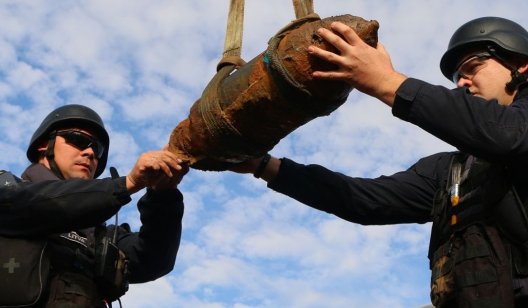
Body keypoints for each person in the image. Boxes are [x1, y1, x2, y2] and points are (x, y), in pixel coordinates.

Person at [230, 16, 528, 307]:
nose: (462, 82)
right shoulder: (452, 173)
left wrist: (386, 82)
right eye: (456, 77)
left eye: (473, 68)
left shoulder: (514, 130)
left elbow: (506, 134)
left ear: (519, 65)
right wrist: (264, 166)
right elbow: (365, 199)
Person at [0, 104, 189, 307]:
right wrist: (128, 184)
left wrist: (162, 194)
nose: (90, 152)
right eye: (78, 140)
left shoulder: (101, 237)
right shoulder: (8, 191)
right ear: (44, 145)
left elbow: (154, 260)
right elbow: (37, 203)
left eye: (96, 148)